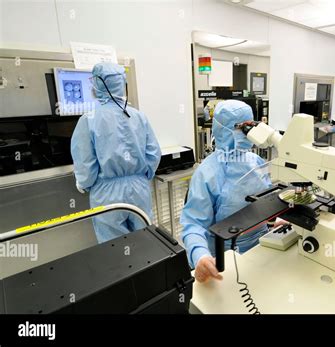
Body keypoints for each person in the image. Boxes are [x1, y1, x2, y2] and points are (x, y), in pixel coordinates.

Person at [180, 100, 272, 283]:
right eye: (242, 128)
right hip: (225, 257)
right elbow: (193, 224)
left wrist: (273, 221)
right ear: (224, 129)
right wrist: (200, 256)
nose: (248, 134)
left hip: (264, 247)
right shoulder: (207, 173)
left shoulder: (257, 162)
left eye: (251, 127)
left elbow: (267, 200)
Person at [71, 62, 161, 243]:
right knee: (146, 241)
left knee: (115, 247)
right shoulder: (139, 116)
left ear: (97, 85)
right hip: (139, 189)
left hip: (107, 193)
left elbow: (85, 163)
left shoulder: (88, 120)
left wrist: (84, 183)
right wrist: (141, 177)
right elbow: (154, 153)